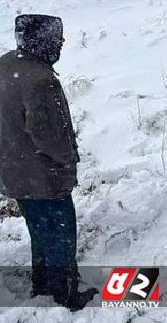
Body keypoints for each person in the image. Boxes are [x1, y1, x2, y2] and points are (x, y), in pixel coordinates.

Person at [0, 15, 98, 310]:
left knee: (40, 230)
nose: (61, 46)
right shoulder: (42, 81)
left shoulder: (6, 65)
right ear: (42, 43)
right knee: (60, 233)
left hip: (14, 170)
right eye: (57, 40)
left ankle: (42, 284)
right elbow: (49, 136)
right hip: (44, 175)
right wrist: (68, 158)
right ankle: (63, 294)